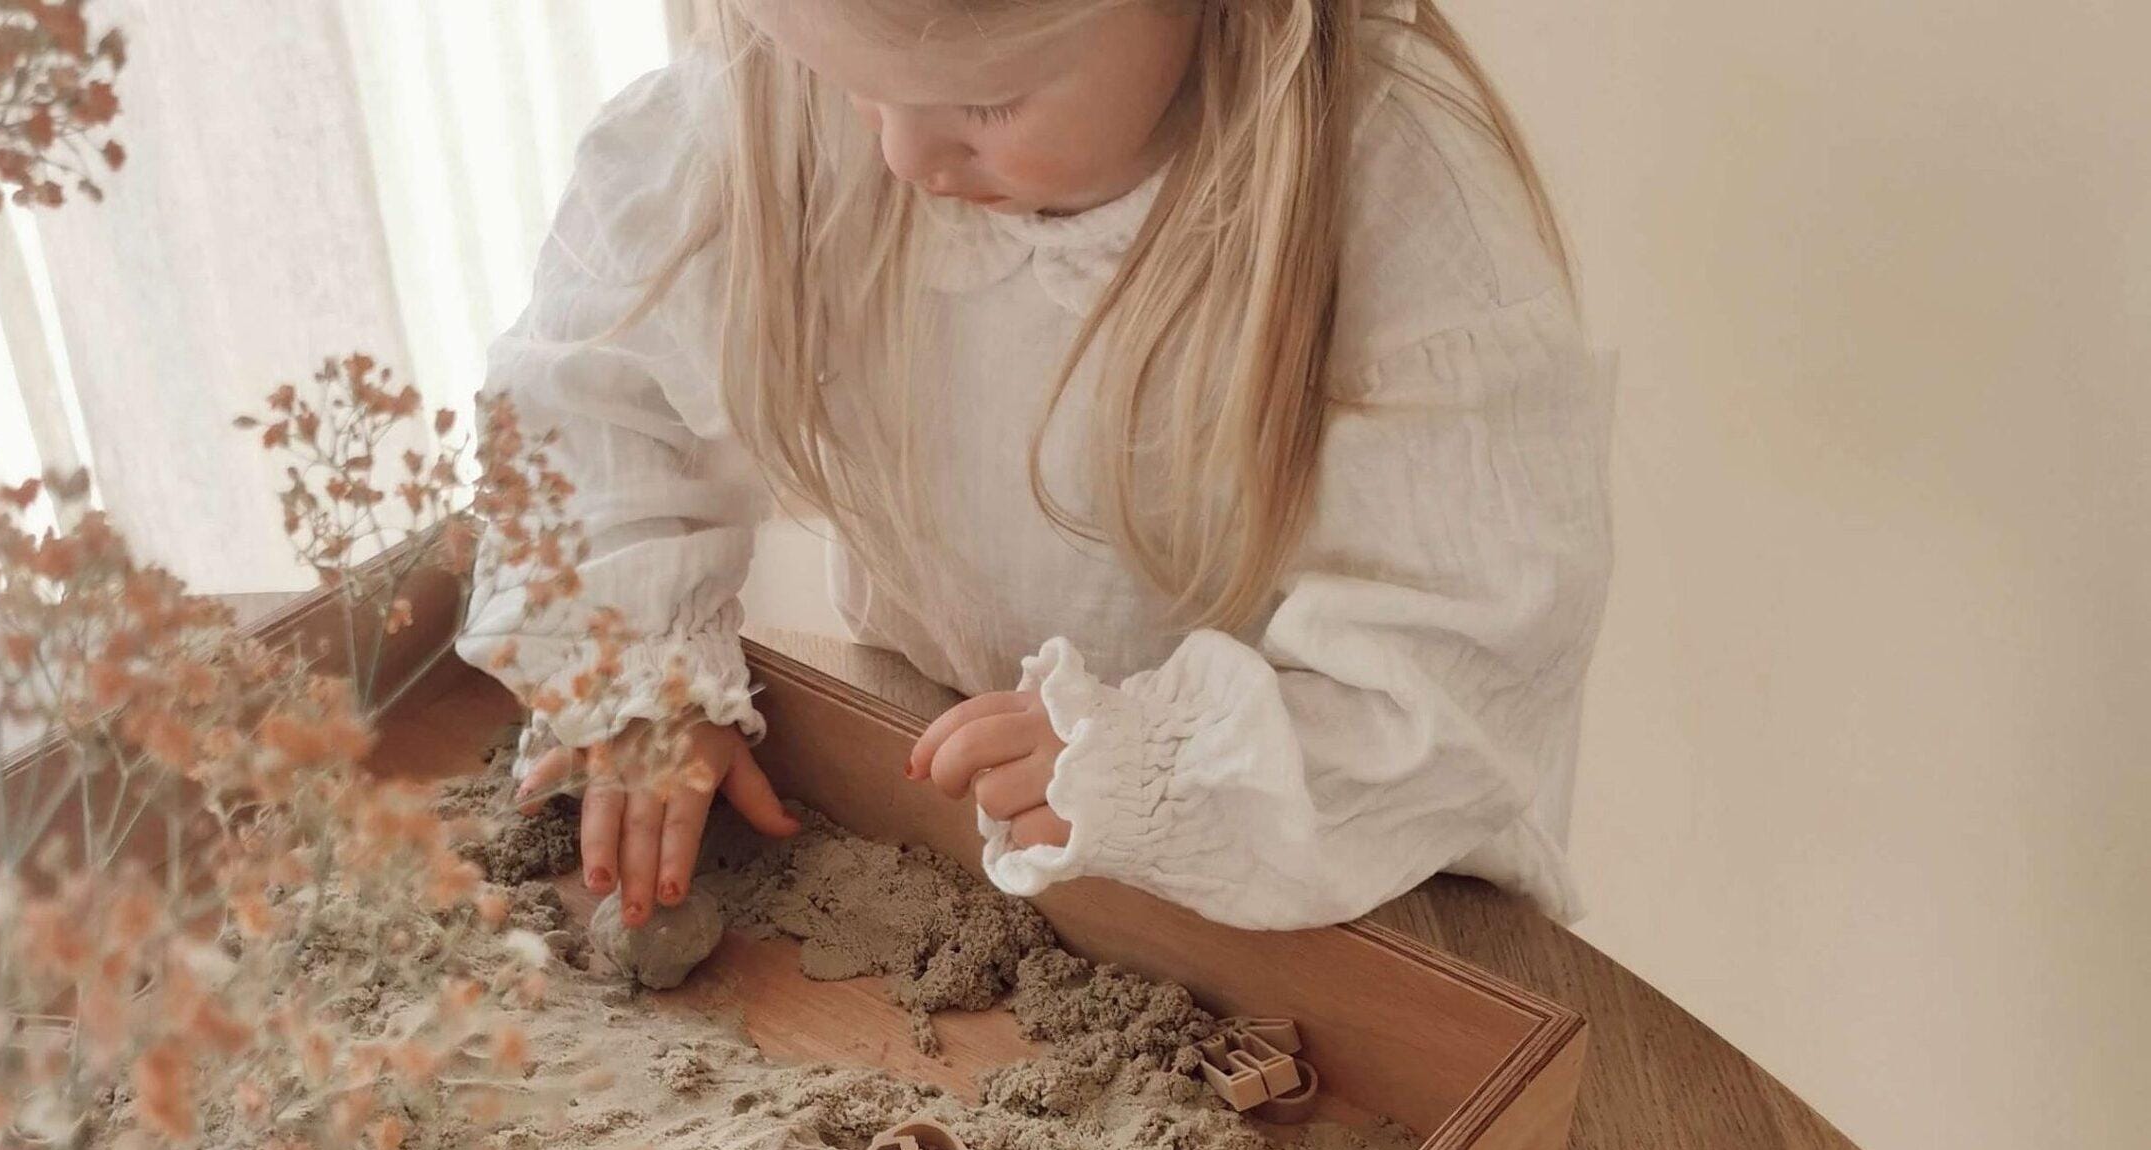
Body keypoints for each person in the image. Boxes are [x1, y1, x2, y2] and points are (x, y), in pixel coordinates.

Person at [458, 0, 1611, 932]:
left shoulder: (1399, 209)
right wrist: (636, 669)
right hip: (954, 783)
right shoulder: (784, 102)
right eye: (847, 79)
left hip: (1360, 885)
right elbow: (586, 389)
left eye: (986, 101)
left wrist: (1144, 766)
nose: (904, 154)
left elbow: (1452, 676)